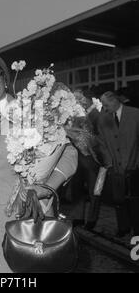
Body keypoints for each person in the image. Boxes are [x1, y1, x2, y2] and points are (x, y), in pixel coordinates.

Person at [0, 54, 78, 272]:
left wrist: (48, 187)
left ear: (5, 78)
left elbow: (68, 153)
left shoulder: (32, 112)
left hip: (25, 217)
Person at [98, 91, 139, 237]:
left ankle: (137, 230)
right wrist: (109, 162)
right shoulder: (102, 119)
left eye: (105, 104)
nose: (104, 108)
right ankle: (123, 228)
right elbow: (102, 144)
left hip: (135, 167)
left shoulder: (135, 114)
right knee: (118, 200)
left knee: (135, 201)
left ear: (115, 101)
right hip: (115, 167)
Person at [67, 90, 102, 230]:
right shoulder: (70, 115)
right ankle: (78, 217)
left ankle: (92, 219)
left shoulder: (93, 115)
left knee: (95, 191)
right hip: (75, 157)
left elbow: (97, 136)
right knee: (77, 190)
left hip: (91, 157)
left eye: (79, 99)